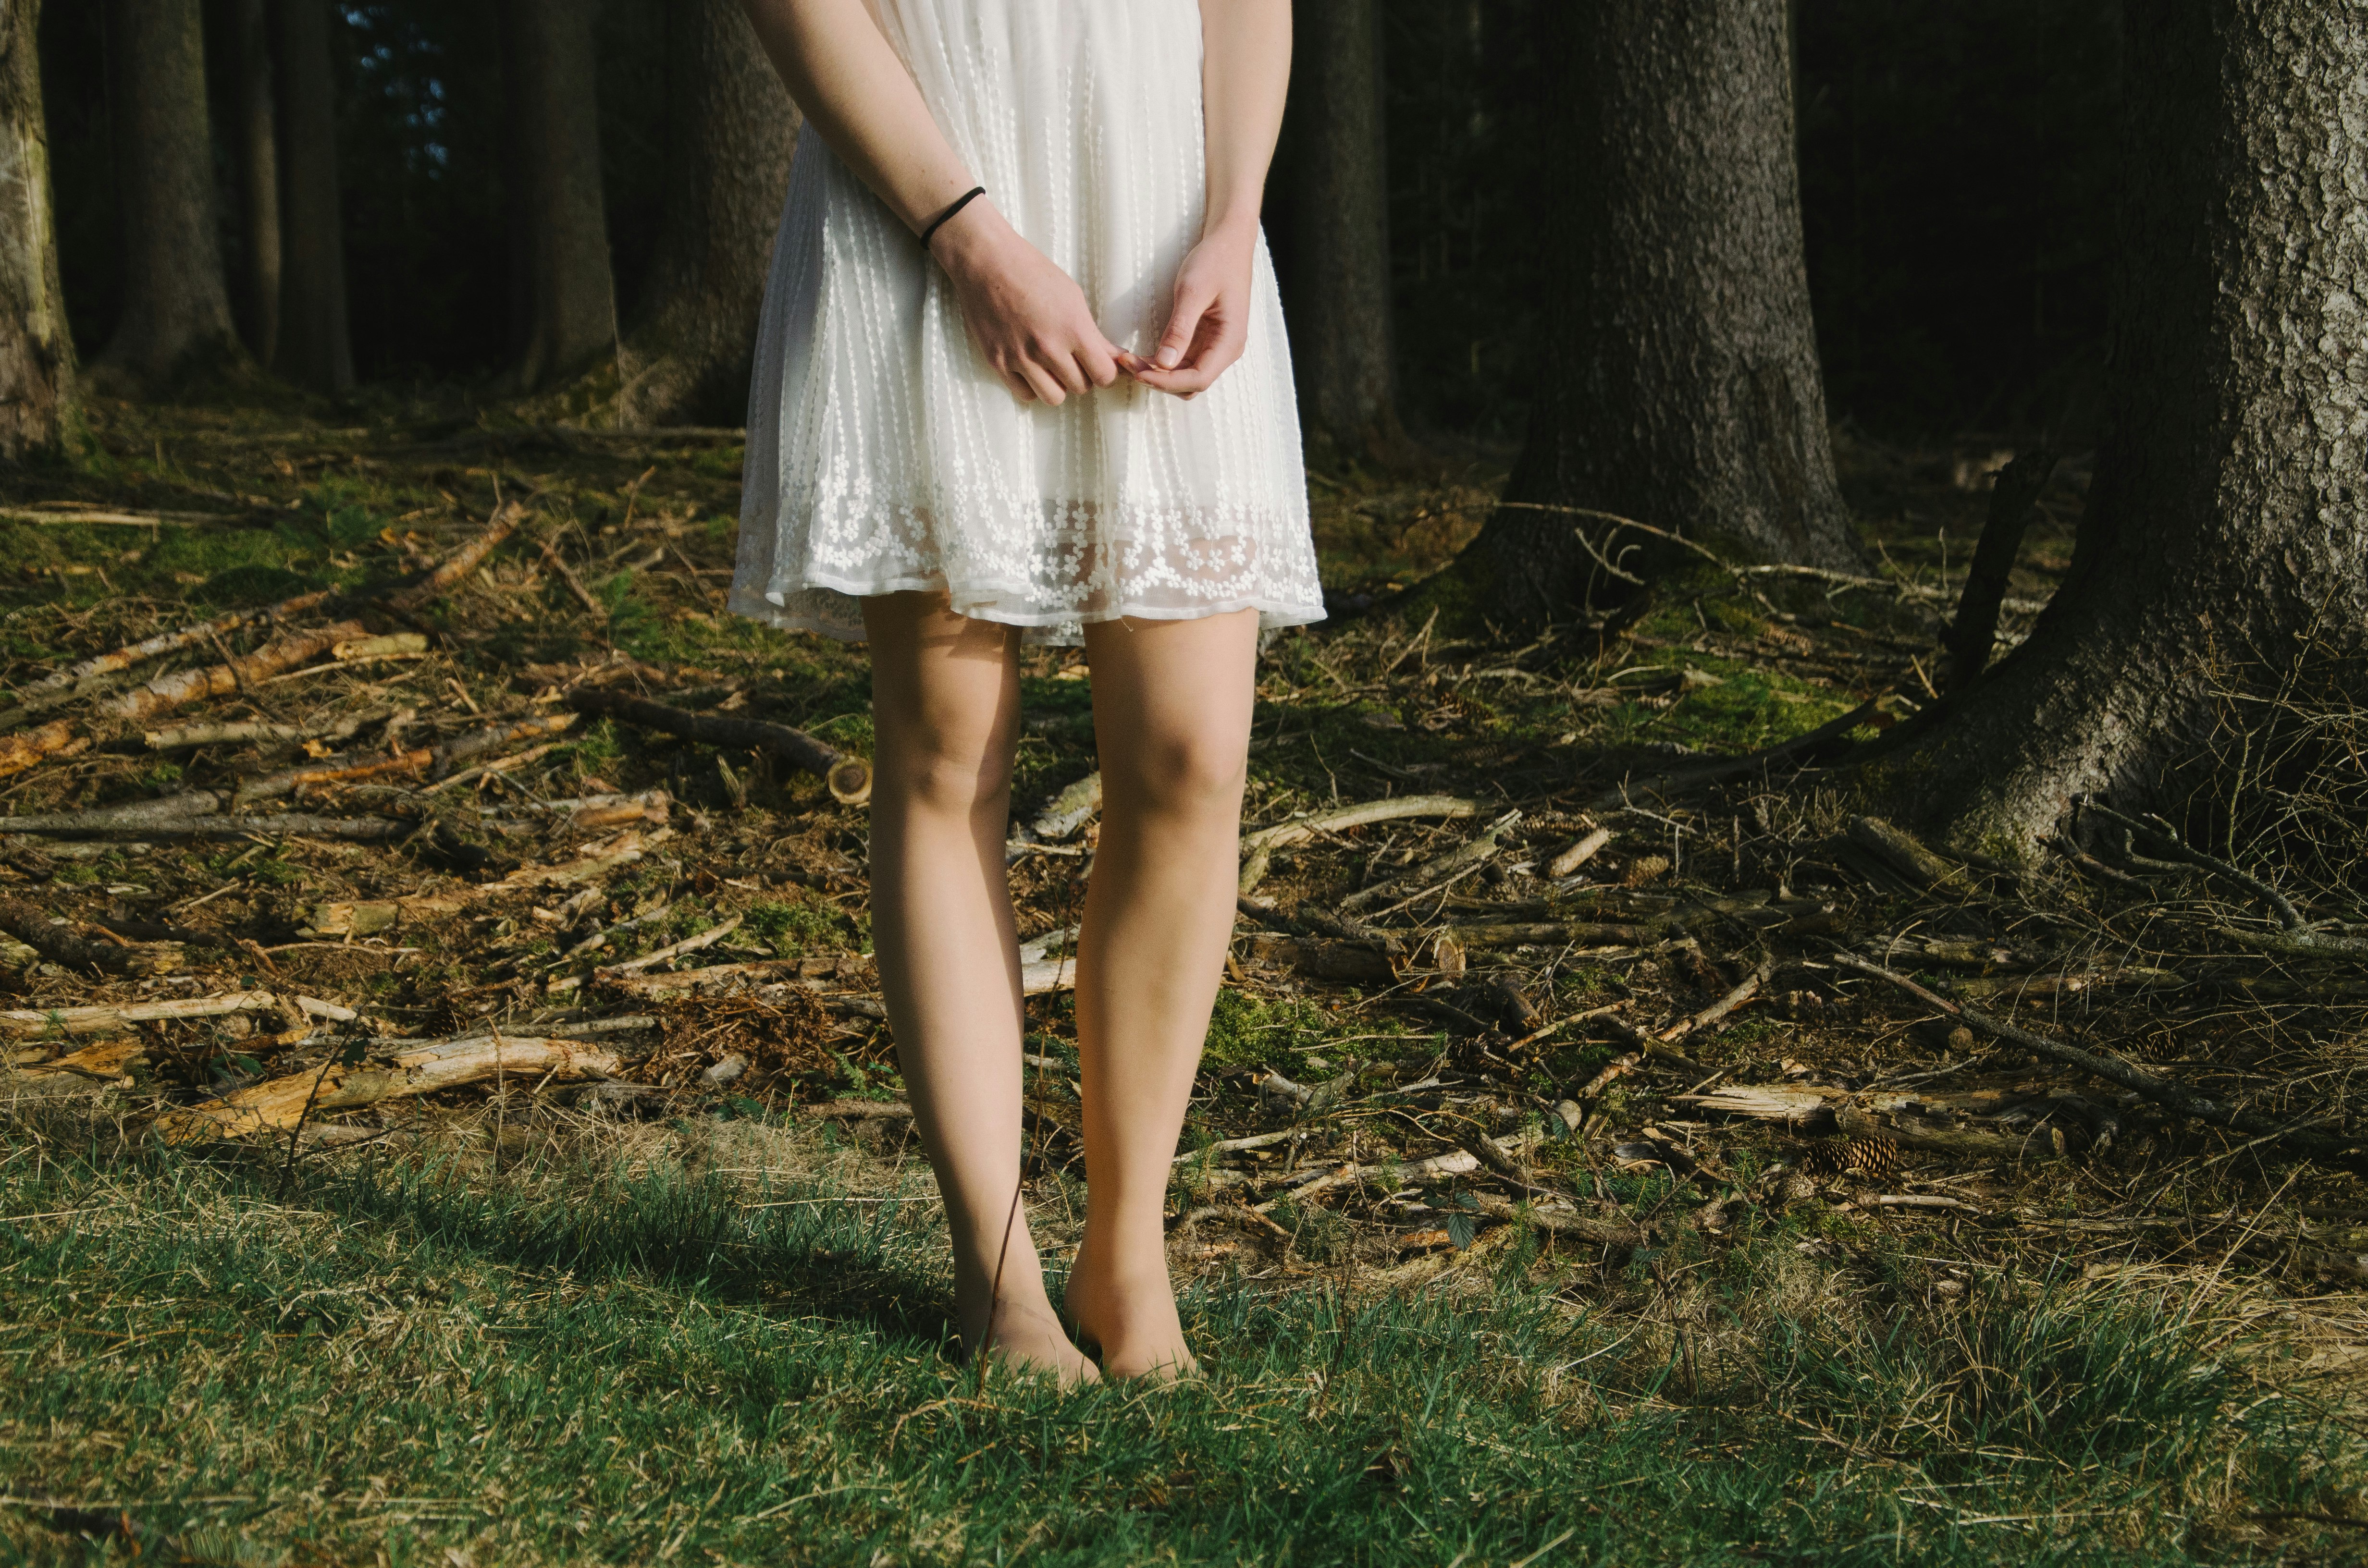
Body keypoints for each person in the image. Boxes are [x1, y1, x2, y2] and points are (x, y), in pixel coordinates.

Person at [730, 0, 1321, 1381]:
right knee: (949, 754)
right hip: (931, 199)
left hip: (1162, 208)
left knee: (1191, 760)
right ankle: (996, 1276)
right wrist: (968, 239)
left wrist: (1233, 212)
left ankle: (1130, 1258)